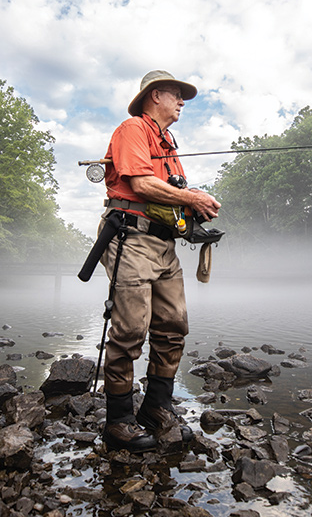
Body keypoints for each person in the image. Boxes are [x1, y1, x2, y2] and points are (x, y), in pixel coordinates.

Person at [98, 70, 221, 452]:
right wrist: (193, 198)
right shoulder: (132, 129)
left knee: (172, 327)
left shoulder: (168, 144)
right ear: (155, 95)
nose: (182, 101)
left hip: (163, 245)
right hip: (130, 238)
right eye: (176, 94)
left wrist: (195, 213)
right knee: (131, 330)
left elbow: (171, 194)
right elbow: (141, 184)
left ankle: (157, 408)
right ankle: (118, 421)